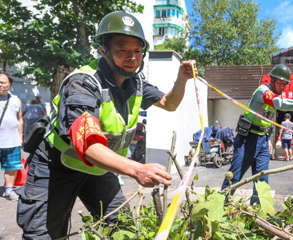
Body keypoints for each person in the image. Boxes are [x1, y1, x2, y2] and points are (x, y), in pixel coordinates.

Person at [16, 12, 196, 239]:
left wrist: (181, 79)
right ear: (103, 50)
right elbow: (88, 145)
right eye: (122, 50)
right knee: (43, 235)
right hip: (55, 167)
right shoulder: (83, 83)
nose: (132, 57)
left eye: (137, 51)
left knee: (124, 229)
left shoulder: (136, 82)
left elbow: (168, 103)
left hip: (99, 169)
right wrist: (137, 169)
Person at [221, 64, 293, 205]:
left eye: (285, 84)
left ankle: (257, 213)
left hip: (262, 141)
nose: (282, 87)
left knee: (262, 180)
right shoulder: (263, 91)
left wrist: (267, 139)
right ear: (272, 80)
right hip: (247, 139)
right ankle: (221, 206)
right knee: (234, 177)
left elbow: (266, 120)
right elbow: (279, 103)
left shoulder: (274, 95)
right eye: (280, 83)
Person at [0, 73, 23, 201]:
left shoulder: (16, 100)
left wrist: (20, 138)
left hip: (11, 140)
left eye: (3, 82)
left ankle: (9, 190)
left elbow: (19, 119)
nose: (0, 84)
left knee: (11, 166)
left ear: (10, 84)